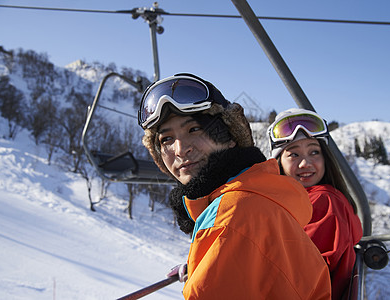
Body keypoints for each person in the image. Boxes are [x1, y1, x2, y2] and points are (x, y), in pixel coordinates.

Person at [138, 73, 331, 299]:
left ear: (230, 137)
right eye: (166, 140)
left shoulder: (232, 213)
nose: (180, 149)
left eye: (194, 129)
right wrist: (205, 263)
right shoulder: (258, 194)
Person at [267, 108, 363, 300]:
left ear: (325, 158)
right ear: (279, 163)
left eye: (314, 152)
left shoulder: (323, 202)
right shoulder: (294, 203)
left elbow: (300, 276)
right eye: (294, 155)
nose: (305, 163)